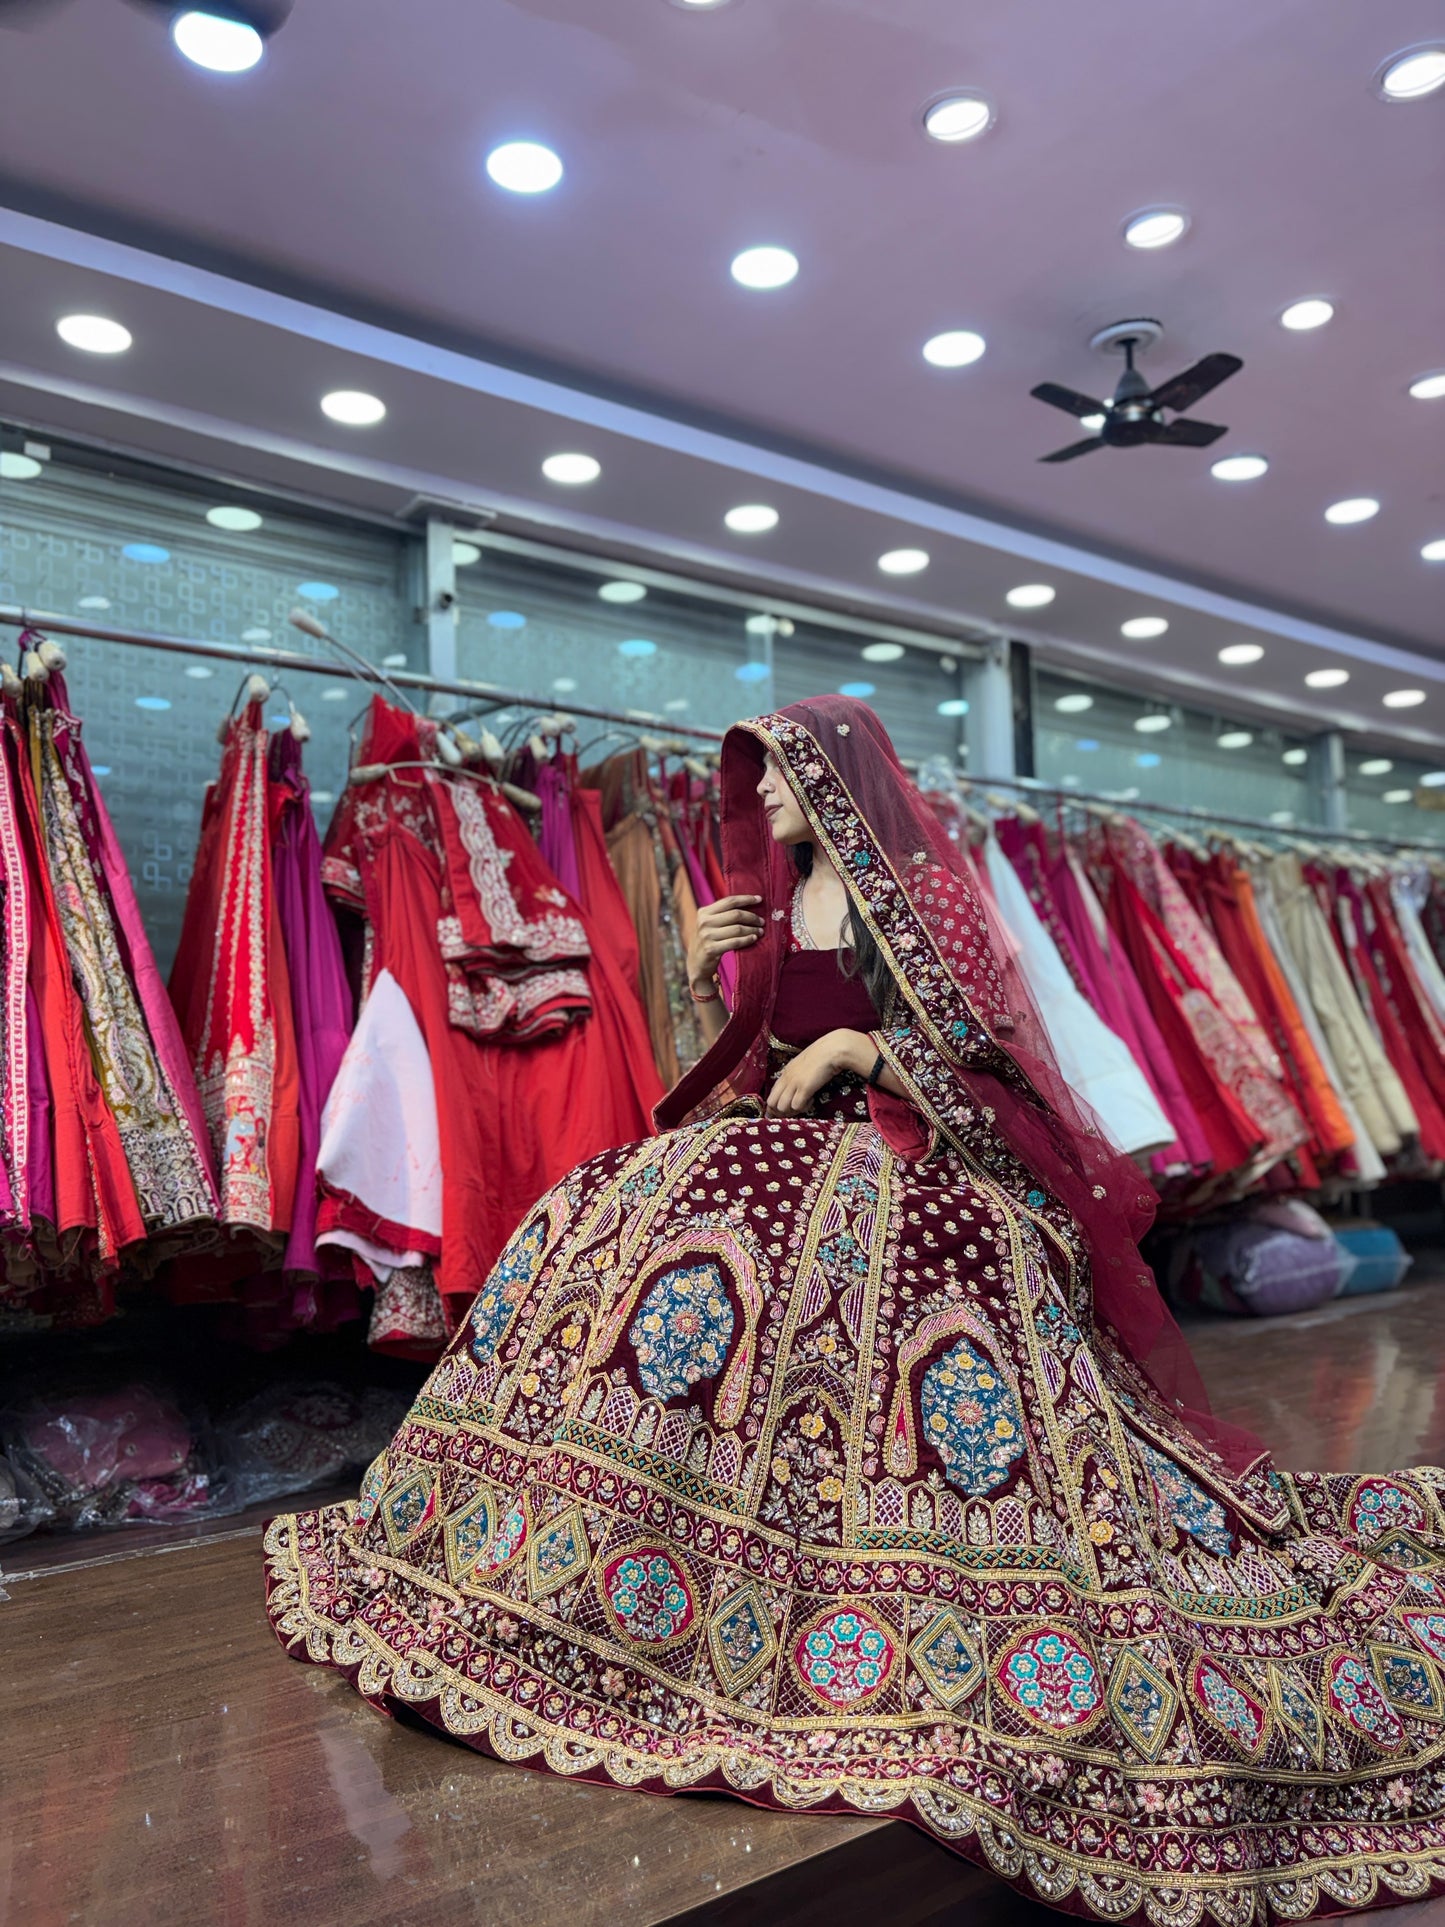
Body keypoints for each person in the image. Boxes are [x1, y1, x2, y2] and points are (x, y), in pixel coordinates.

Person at [265, 696, 1445, 1924]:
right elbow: (761, 1052)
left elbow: (995, 1061)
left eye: (773, 777)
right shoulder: (781, 901)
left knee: (803, 1271)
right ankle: (601, 1549)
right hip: (788, 1156)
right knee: (601, 1214)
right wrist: (701, 964)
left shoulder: (920, 895)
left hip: (912, 1166)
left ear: (830, 779)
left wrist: (858, 1060)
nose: (756, 801)